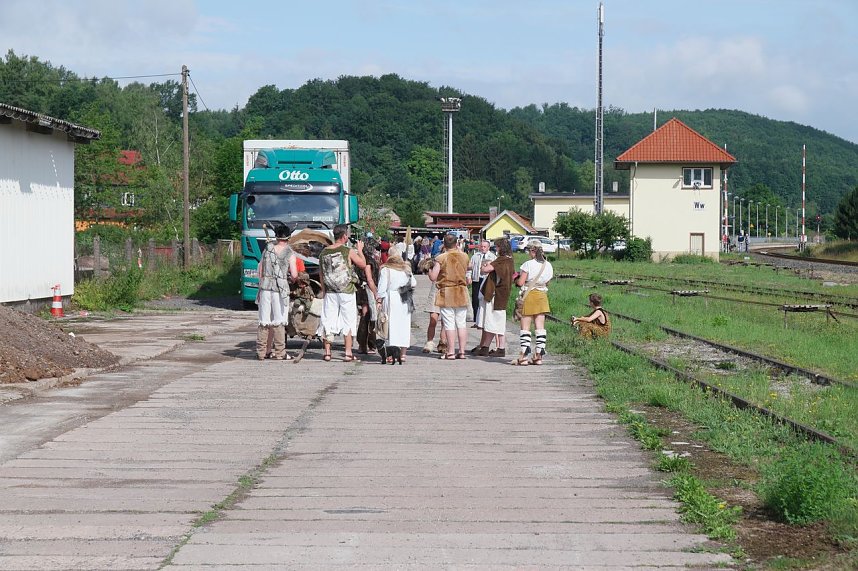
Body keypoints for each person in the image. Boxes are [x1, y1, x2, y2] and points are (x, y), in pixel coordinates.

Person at [318, 224, 366, 362]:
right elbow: (362, 264)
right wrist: (360, 250)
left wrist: (324, 290)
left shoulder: (323, 252)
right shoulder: (347, 251)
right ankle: (348, 353)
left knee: (328, 319)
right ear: (344, 236)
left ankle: (327, 352)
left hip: (330, 291)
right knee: (348, 320)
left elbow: (321, 274)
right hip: (346, 290)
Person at [256, 224, 299, 360]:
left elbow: (260, 270)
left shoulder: (267, 249)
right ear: (289, 237)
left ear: (276, 236)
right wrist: (291, 279)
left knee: (264, 320)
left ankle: (261, 352)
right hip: (280, 289)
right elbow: (294, 274)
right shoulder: (289, 252)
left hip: (265, 288)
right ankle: (280, 352)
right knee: (279, 320)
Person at [428, 233, 470, 360]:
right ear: (456, 243)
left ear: (444, 244)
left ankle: (451, 352)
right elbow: (468, 269)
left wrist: (429, 270)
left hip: (447, 292)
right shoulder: (464, 256)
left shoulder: (441, 258)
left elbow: (433, 277)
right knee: (461, 323)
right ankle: (462, 351)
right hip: (461, 291)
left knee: (449, 323)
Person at [513, 238, 554, 365]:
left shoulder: (528, 264)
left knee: (525, 327)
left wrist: (516, 279)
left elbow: (521, 282)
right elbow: (547, 282)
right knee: (540, 327)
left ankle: (524, 356)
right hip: (542, 296)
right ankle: (538, 356)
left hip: (529, 295)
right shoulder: (548, 265)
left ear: (532, 251)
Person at [472, 237, 514, 357]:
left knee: (494, 321)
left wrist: (484, 265)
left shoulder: (501, 260)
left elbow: (486, 270)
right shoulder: (510, 260)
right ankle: (488, 347)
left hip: (496, 294)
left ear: (501, 248)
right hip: (503, 293)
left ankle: (498, 348)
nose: (496, 249)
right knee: (495, 321)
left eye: (497, 247)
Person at [376, 252, 417, 362]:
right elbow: (413, 283)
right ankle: (402, 354)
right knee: (404, 326)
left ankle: (390, 354)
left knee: (390, 326)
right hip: (405, 298)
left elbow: (382, 287)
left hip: (391, 298)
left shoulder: (386, 270)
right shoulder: (406, 270)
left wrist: (379, 300)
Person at [356, 240, 380, 355]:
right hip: (367, 291)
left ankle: (365, 344)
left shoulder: (360, 259)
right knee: (368, 317)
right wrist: (376, 293)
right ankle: (367, 344)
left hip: (362, 290)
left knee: (366, 317)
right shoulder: (368, 262)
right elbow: (369, 279)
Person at [467, 239, 496, 325]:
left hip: (487, 280)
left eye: (484, 247)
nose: (483, 248)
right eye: (481, 246)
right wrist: (469, 276)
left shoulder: (493, 257)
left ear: (488, 247)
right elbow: (470, 268)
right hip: (477, 279)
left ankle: (486, 319)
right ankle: (476, 319)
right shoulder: (475, 256)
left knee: (486, 298)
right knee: (475, 299)